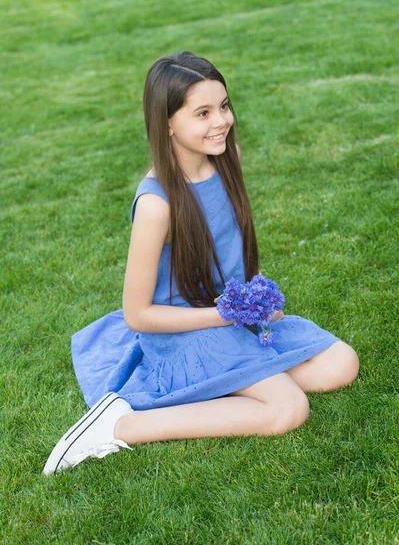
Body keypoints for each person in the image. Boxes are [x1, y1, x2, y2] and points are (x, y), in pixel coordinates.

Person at [43, 51, 360, 475]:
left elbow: (231, 250)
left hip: (226, 319)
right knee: (288, 408)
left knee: (342, 363)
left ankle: (217, 389)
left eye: (224, 106)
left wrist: (254, 295)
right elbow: (138, 315)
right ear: (168, 123)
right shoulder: (157, 204)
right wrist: (222, 316)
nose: (221, 122)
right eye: (203, 113)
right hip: (184, 335)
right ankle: (120, 424)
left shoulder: (228, 161)